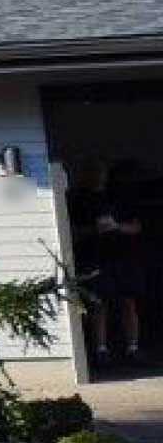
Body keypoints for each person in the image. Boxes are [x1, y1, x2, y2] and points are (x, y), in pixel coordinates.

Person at [69, 158, 143, 369]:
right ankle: (101, 351)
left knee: (129, 302)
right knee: (99, 303)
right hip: (94, 256)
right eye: (92, 171)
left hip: (123, 257)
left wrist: (117, 227)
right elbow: (70, 232)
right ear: (84, 175)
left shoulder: (118, 197)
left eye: (100, 171)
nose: (97, 175)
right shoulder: (77, 200)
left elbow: (137, 227)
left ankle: (133, 349)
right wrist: (95, 230)